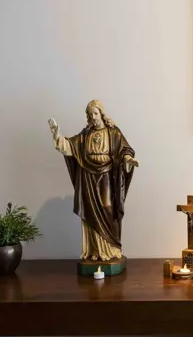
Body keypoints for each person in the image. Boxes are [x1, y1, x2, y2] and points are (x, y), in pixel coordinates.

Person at [49, 100, 138, 261]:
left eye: (96, 113)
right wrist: (56, 134)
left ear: (101, 113)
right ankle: (94, 251)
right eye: (90, 115)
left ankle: (111, 249)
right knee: (90, 212)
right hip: (88, 178)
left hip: (106, 176)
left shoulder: (114, 132)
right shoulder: (85, 135)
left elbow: (124, 150)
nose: (93, 117)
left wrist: (128, 159)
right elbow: (68, 147)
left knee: (108, 207)